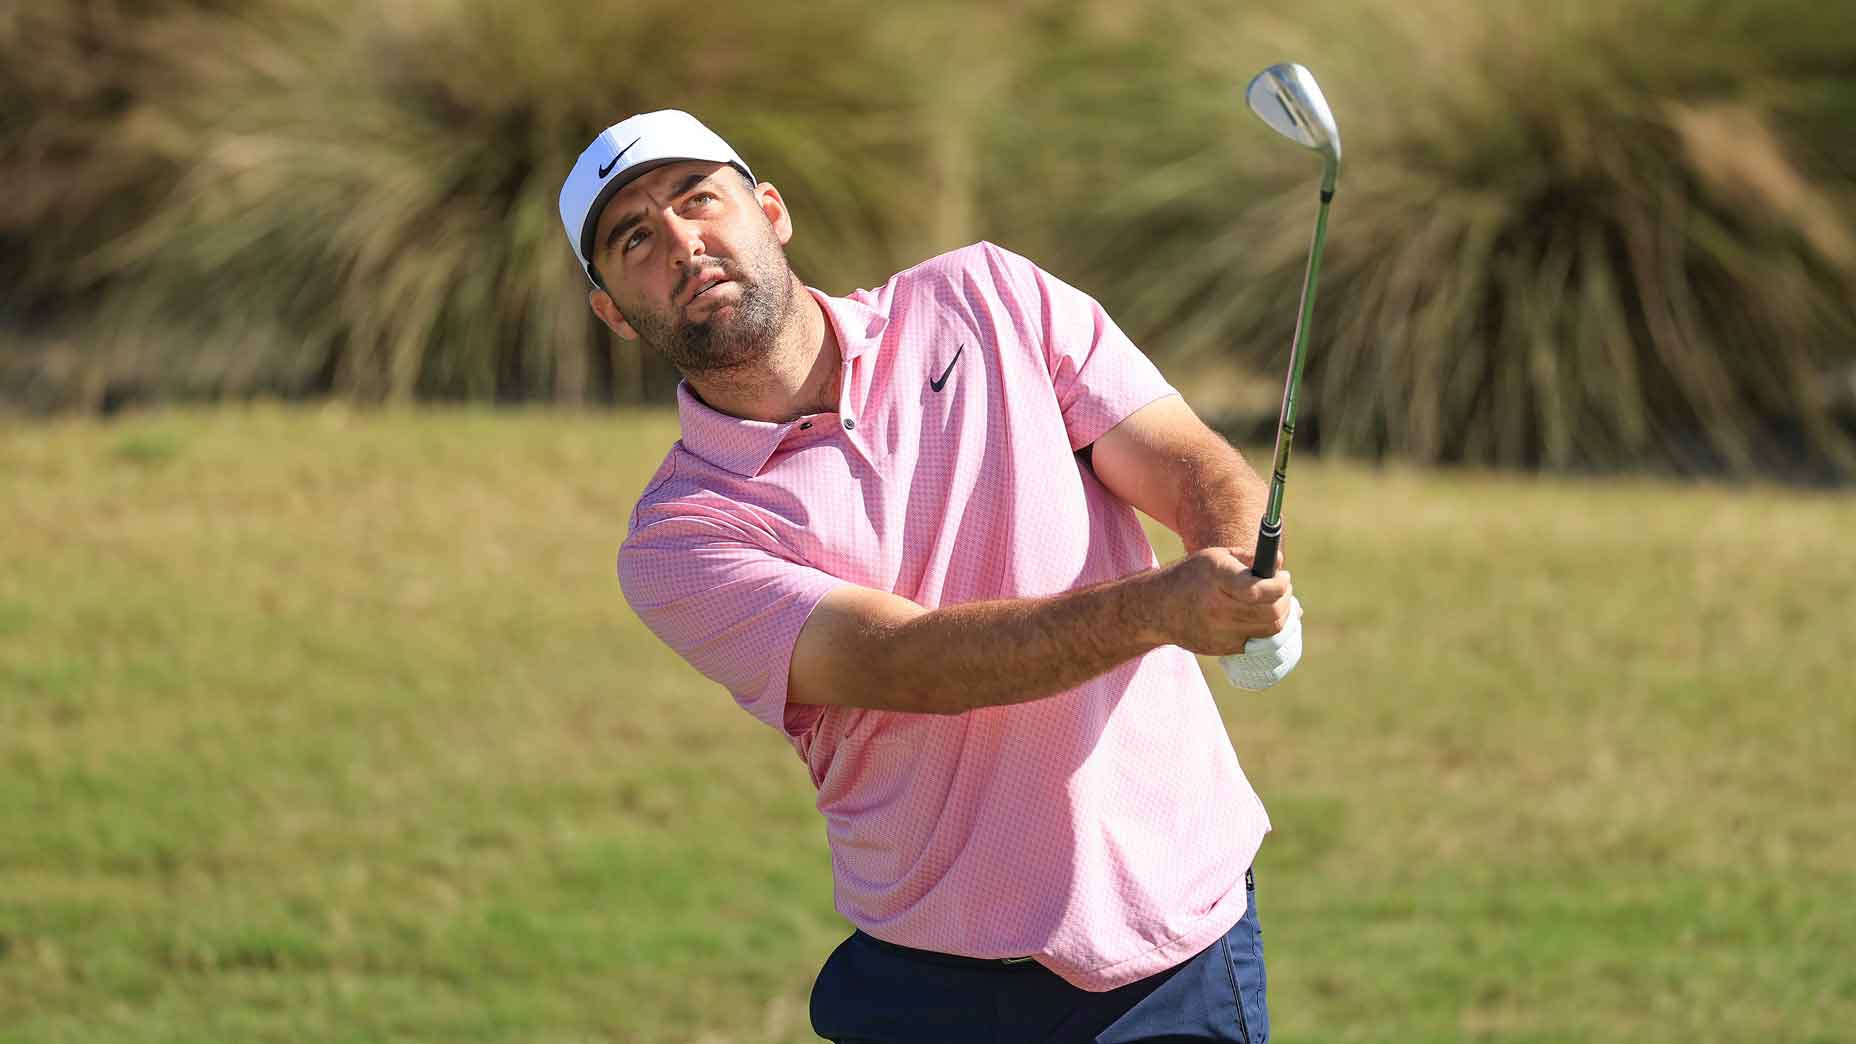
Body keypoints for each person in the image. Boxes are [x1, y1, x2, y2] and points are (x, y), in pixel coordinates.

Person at [559, 109, 1304, 1044]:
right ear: (612, 312)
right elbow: (910, 663)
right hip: (935, 985)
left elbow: (1183, 460)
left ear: (772, 211)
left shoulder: (988, 295)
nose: (682, 242)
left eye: (697, 199)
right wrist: (1162, 610)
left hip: (1175, 942)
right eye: (635, 239)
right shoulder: (680, 534)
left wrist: (1242, 572)